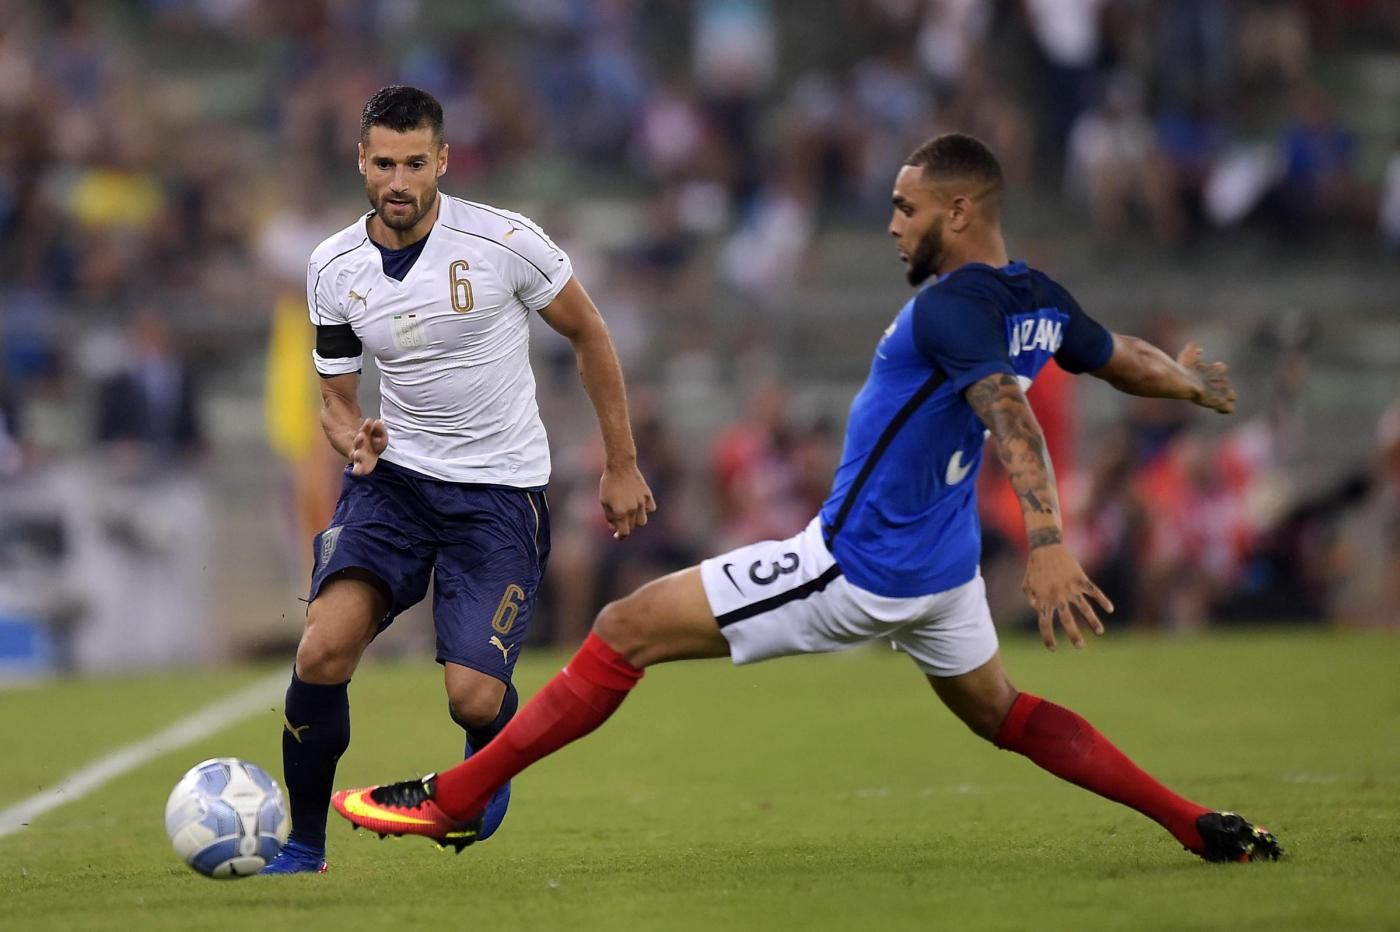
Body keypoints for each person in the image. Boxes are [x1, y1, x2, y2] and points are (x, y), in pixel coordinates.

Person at [331, 133, 1282, 864]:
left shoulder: (952, 306)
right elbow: (1125, 359)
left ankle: (455, 799)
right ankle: (1197, 825)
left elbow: (1012, 421)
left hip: (863, 563)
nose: (894, 226)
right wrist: (1191, 385)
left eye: (908, 210)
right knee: (1002, 711)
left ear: (959, 210)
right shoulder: (1035, 295)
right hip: (943, 571)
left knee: (624, 627)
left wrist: (1045, 540)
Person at [261, 86, 655, 874]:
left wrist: (621, 462)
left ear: (442, 160)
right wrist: (356, 440)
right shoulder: (333, 267)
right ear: (361, 163)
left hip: (499, 495)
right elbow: (336, 402)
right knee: (322, 650)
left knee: (473, 698)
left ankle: (484, 767)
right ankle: (304, 845)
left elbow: (589, 332)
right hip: (395, 483)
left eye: (415, 163)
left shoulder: (507, 242)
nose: (398, 180)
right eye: (384, 164)